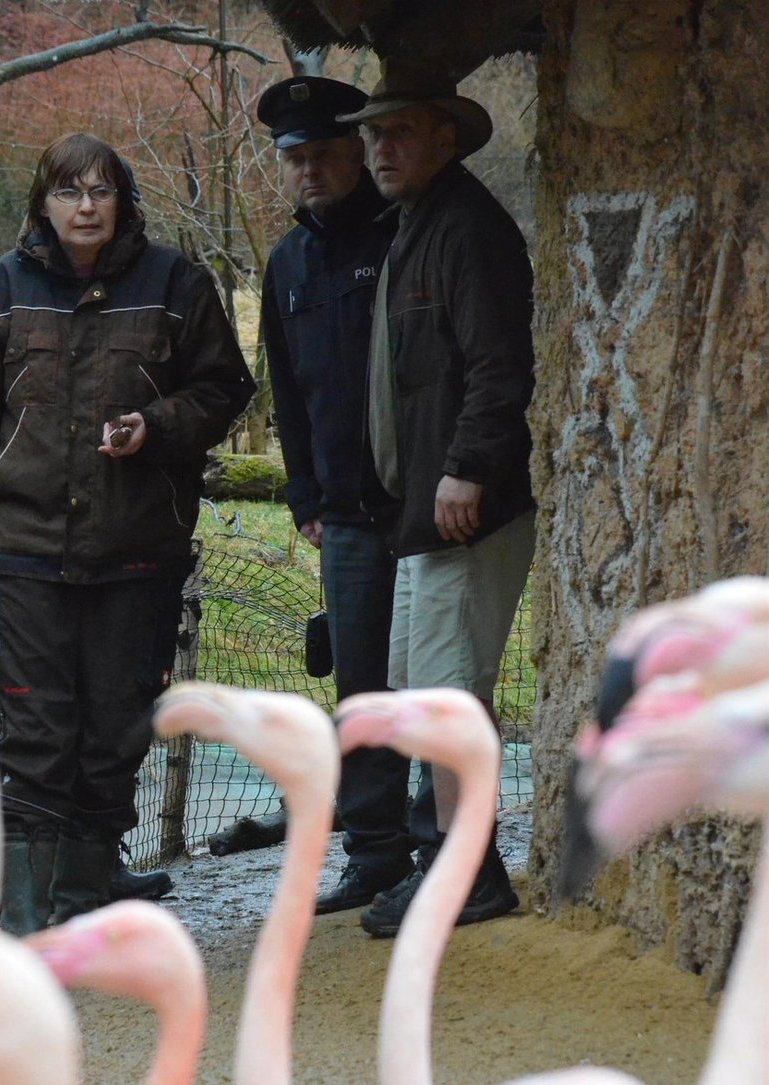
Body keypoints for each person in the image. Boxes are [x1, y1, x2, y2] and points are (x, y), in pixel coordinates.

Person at [0, 132, 255, 934]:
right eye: (70, 192)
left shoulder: (176, 283)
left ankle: (86, 894)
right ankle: (26, 917)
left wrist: (158, 424)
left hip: (138, 551)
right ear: (44, 202)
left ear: (123, 202)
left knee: (117, 725)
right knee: (34, 730)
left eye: (102, 192)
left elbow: (225, 386)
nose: (87, 207)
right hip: (27, 551)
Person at [337, 60, 537, 938]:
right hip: (425, 506)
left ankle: (468, 875)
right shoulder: (419, 223)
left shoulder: (466, 229)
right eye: (373, 135)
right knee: (428, 697)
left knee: (453, 700)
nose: (381, 148)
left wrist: (470, 467)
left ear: (445, 137)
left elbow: (498, 362)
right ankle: (451, 862)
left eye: (401, 132)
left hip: (463, 506)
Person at [257, 75, 436, 915]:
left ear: (355, 152)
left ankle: (445, 848)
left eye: (326, 153)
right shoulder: (287, 263)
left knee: (431, 683)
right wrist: (304, 499)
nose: (311, 170)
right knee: (362, 691)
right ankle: (374, 852)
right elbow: (287, 393)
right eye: (296, 157)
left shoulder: (404, 234)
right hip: (346, 516)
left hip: (423, 504)